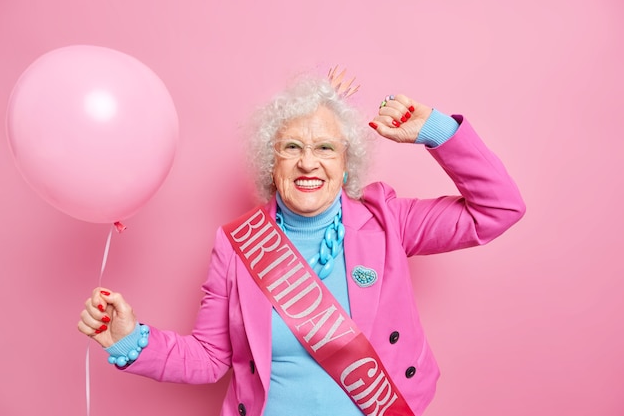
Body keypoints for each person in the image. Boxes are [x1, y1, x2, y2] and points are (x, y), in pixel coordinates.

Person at [78, 72, 525, 416]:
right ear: (271, 164)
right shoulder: (237, 246)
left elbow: (499, 208)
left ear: (347, 163)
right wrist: (131, 341)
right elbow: (211, 358)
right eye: (292, 147)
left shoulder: (387, 220)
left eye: (326, 148)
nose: (308, 162)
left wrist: (439, 132)